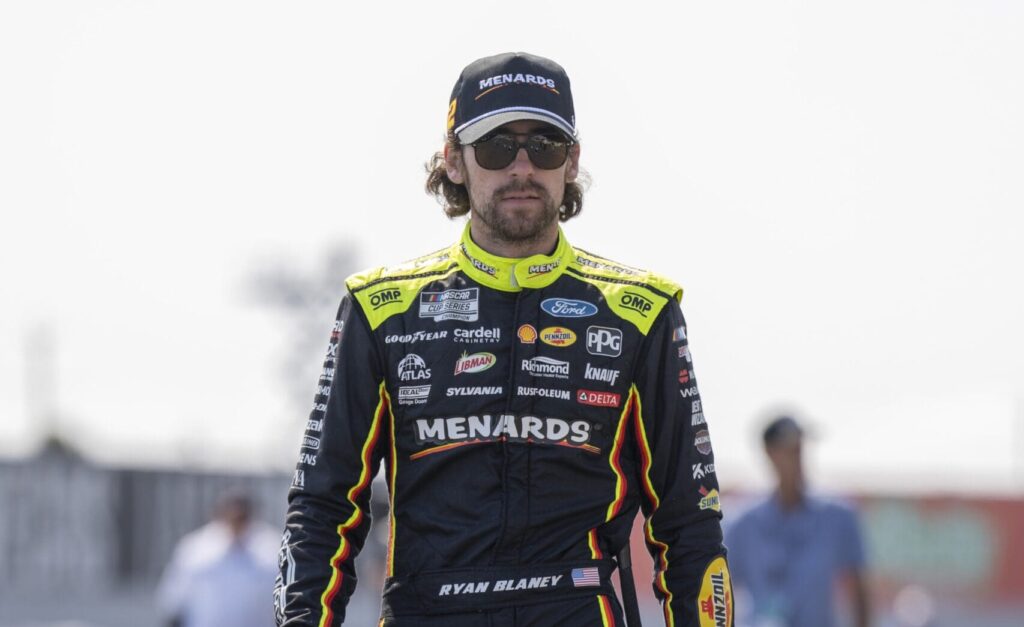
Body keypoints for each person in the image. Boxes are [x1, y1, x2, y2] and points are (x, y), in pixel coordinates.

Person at [274, 51, 733, 627]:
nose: (522, 167)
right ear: (455, 162)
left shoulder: (639, 312)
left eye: (545, 145)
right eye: (495, 146)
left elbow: (690, 523)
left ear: (572, 161)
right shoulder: (383, 308)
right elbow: (321, 509)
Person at [725, 416, 871, 627]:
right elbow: (721, 589)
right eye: (789, 450)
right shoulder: (742, 524)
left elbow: (859, 589)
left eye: (800, 449)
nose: (798, 457)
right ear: (770, 453)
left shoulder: (837, 517)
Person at [157, 491, 280, 627]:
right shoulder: (195, 548)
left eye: (241, 515)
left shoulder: (272, 548)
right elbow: (174, 601)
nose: (236, 518)